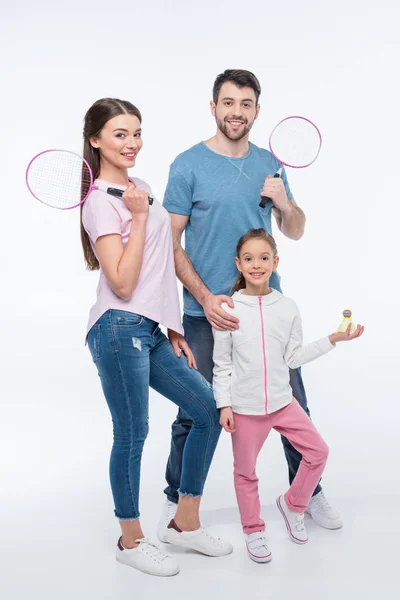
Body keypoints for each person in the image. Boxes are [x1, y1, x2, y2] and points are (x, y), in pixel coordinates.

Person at [157, 69, 343, 540]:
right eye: (228, 102)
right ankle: (177, 499)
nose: (236, 112)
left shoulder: (270, 164)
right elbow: (168, 242)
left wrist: (283, 201)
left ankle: (308, 492)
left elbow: (296, 230)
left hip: (266, 311)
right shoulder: (187, 164)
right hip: (206, 314)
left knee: (293, 403)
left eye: (245, 104)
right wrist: (203, 296)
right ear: (213, 107)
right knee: (196, 410)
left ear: (257, 111)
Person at [81, 98, 232, 578]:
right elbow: (123, 284)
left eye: (137, 133)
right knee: (133, 432)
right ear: (96, 140)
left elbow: (157, 268)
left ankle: (185, 524)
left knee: (207, 409)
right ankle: (131, 539)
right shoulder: (101, 203)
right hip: (118, 327)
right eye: (120, 134)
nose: (132, 143)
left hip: (151, 329)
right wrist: (141, 217)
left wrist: (173, 326)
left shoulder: (140, 188)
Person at [212, 228, 364, 562]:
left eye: (264, 258)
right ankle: (253, 530)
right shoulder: (229, 308)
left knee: (318, 452)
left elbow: (293, 358)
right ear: (238, 264)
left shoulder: (288, 307)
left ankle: (294, 503)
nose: (257, 265)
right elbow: (221, 363)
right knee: (245, 473)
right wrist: (224, 404)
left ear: (275, 262)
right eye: (249, 258)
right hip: (246, 409)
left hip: (283, 403)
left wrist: (333, 339)